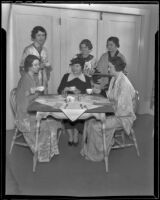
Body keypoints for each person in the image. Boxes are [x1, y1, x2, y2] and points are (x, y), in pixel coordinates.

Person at [81, 56, 136, 161]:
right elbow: (111, 96)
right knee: (89, 121)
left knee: (95, 125)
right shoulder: (115, 78)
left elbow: (123, 109)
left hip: (123, 118)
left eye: (110, 67)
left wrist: (105, 112)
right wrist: (100, 92)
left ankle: (96, 155)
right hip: (116, 112)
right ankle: (88, 150)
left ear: (117, 67)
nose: (108, 69)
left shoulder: (124, 84)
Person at [16, 55, 61, 162]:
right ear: (29, 66)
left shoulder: (31, 76)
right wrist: (36, 93)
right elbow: (25, 99)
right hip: (25, 114)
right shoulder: (26, 78)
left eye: (38, 64)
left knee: (52, 120)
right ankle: (43, 154)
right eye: (35, 65)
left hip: (28, 108)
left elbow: (29, 94)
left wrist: (36, 92)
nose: (38, 67)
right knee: (49, 122)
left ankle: (50, 150)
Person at [57, 57, 91, 146]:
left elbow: (89, 93)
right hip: (68, 103)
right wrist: (64, 90)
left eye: (77, 66)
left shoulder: (86, 79)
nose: (74, 68)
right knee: (66, 113)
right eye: (72, 66)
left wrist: (80, 93)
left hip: (80, 104)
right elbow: (59, 90)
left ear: (82, 67)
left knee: (80, 114)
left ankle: (76, 135)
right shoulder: (66, 76)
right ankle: (70, 136)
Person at [19, 26, 52, 94]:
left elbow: (47, 69)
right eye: (39, 35)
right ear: (34, 36)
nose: (41, 38)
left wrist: (48, 67)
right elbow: (22, 68)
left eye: (43, 35)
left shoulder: (45, 50)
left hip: (43, 84)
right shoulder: (28, 50)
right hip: (32, 85)